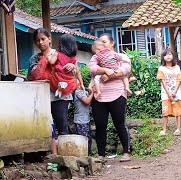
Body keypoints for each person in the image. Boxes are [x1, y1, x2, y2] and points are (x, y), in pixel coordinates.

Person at [28, 28, 83, 137]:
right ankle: (49, 152)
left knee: (62, 126)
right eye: (38, 40)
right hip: (43, 96)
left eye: (43, 39)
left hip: (61, 95)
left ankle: (64, 152)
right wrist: (44, 61)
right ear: (35, 42)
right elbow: (34, 76)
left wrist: (72, 66)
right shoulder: (34, 59)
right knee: (44, 127)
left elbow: (74, 71)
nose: (41, 42)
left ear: (49, 39)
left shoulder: (61, 53)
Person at [89, 33, 132, 162]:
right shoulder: (96, 57)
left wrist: (110, 75)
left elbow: (125, 69)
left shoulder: (117, 56)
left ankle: (126, 152)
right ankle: (101, 155)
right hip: (99, 96)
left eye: (104, 42)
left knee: (119, 123)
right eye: (100, 43)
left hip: (118, 93)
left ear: (112, 43)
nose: (102, 45)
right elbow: (93, 68)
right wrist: (105, 71)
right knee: (100, 125)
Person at [156, 49, 181, 136]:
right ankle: (164, 130)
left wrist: (174, 91)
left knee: (178, 112)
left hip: (176, 93)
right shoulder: (161, 68)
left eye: (170, 54)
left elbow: (179, 80)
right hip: (165, 94)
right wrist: (169, 93)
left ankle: (178, 129)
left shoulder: (177, 67)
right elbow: (163, 81)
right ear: (163, 57)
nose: (168, 56)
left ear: (173, 56)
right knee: (165, 113)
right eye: (166, 55)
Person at [74, 80, 94, 155]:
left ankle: (88, 156)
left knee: (88, 140)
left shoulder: (83, 91)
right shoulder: (77, 92)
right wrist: (92, 93)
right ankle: (83, 156)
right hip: (80, 121)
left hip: (86, 120)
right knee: (83, 140)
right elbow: (87, 101)